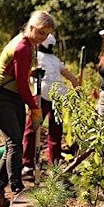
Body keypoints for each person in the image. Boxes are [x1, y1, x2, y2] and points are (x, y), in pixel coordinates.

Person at [0, 11, 55, 207]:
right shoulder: (23, 47)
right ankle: (17, 189)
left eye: (47, 35)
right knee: (15, 144)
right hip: (2, 97)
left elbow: (20, 74)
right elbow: (22, 84)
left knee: (12, 144)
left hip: (11, 96)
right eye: (41, 33)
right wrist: (35, 108)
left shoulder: (29, 44)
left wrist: (32, 71)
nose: (43, 38)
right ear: (31, 27)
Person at [21, 34, 80, 174]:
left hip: (41, 95)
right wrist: (77, 92)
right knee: (55, 132)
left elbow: (27, 73)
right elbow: (72, 79)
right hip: (58, 96)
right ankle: (54, 166)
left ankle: (28, 165)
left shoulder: (36, 57)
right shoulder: (55, 60)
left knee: (32, 129)